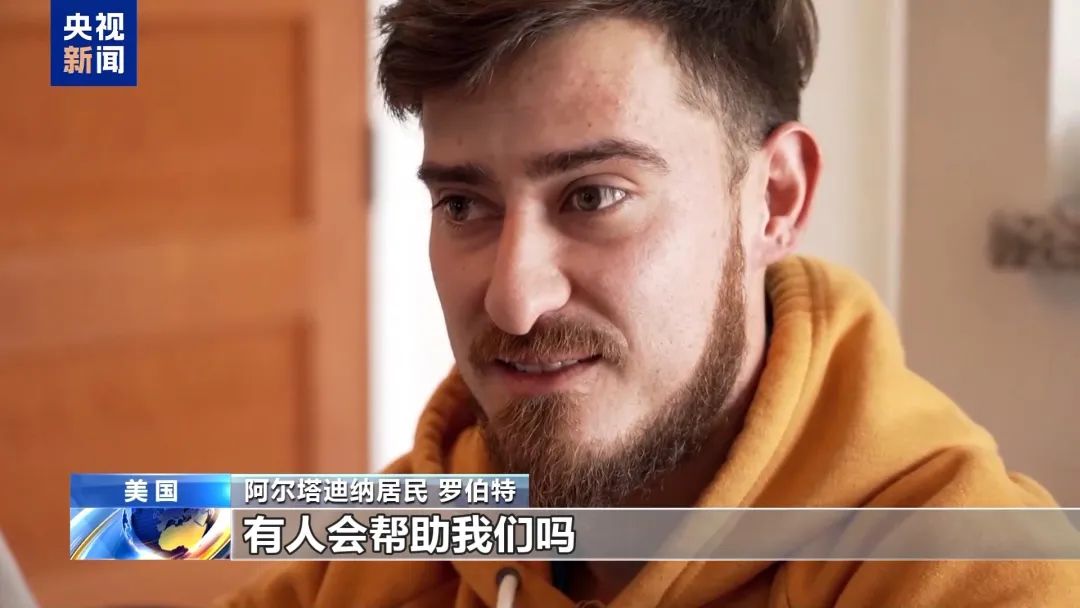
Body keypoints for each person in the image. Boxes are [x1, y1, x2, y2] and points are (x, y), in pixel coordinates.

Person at [217, 0, 1080, 605]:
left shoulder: (976, 576)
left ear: (775, 198)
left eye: (593, 196)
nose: (514, 300)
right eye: (464, 205)